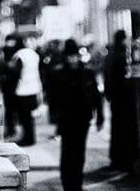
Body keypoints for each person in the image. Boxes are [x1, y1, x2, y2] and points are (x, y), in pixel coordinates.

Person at [50, 39, 104, 191]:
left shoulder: (87, 72)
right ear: (65, 57)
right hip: (66, 118)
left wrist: (100, 116)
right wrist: (55, 117)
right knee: (68, 152)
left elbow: (96, 96)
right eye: (70, 56)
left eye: (74, 56)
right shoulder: (59, 73)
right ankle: (68, 184)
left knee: (79, 152)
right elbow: (53, 97)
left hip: (83, 117)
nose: (73, 59)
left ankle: (77, 183)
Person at [103, 29, 130, 170]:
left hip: (114, 96)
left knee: (117, 127)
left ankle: (117, 158)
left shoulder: (111, 53)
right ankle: (121, 159)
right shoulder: (119, 54)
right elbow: (121, 76)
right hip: (121, 96)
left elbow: (107, 75)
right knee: (121, 128)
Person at [11, 36, 42, 146]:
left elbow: (16, 72)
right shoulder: (35, 54)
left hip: (23, 89)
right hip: (34, 87)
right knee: (30, 117)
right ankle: (31, 137)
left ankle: (27, 139)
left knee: (24, 117)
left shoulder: (20, 55)